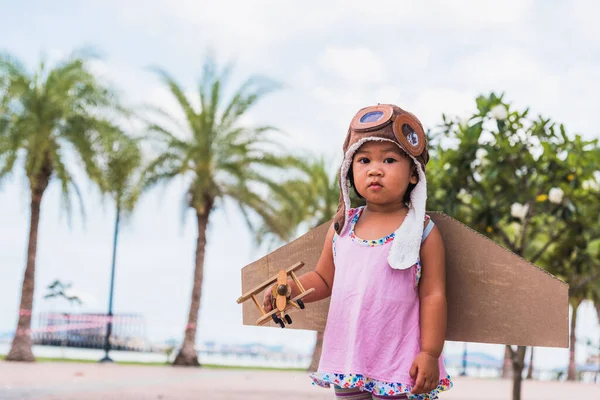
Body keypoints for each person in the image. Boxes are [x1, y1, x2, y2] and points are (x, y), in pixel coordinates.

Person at [263, 104, 453, 399]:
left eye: (389, 160)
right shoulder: (343, 227)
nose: (375, 169)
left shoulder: (422, 231)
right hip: (348, 357)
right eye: (363, 160)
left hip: (399, 362)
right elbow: (324, 280)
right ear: (350, 170)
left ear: (414, 174)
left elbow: (433, 295)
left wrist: (430, 352)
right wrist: (288, 290)